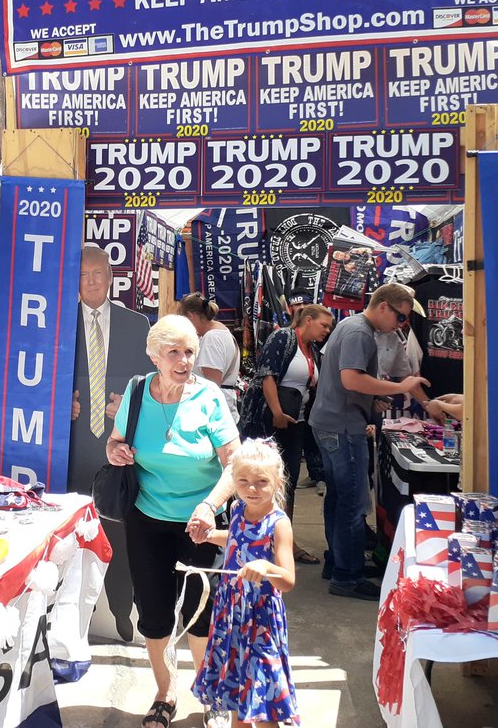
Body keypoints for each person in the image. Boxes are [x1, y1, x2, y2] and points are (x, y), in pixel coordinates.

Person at [106, 315, 240, 728]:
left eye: (190, 352)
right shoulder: (136, 391)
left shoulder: (209, 396)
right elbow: (115, 441)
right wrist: (115, 452)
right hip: (146, 519)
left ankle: (208, 693)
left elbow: (234, 464)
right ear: (154, 356)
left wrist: (210, 504)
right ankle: (165, 694)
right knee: (154, 610)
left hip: (200, 523)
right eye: (174, 353)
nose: (184, 361)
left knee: (201, 611)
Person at [309, 283, 429, 600]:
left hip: (334, 422)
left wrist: (369, 398)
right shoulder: (359, 332)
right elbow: (350, 378)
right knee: (350, 501)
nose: (402, 325)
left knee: (338, 499)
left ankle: (338, 564)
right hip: (342, 426)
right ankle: (347, 576)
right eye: (401, 317)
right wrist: (397, 386)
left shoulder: (352, 327)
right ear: (384, 307)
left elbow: (344, 380)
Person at [70, 243, 152, 641]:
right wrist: (56, 404)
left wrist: (128, 403)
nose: (91, 281)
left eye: (97, 273)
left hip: (118, 446)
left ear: (111, 277)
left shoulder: (136, 325)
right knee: (72, 534)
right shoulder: (56, 322)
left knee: (118, 530)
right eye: (83, 274)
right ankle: (71, 620)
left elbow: (151, 384)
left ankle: (121, 610)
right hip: (71, 447)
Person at [192, 439, 298, 728]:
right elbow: (238, 540)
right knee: (238, 694)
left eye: (261, 481)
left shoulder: (278, 523)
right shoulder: (238, 509)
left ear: (277, 482)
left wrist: (266, 567)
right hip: (231, 614)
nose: (252, 488)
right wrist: (211, 535)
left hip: (261, 620)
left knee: (262, 701)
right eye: (244, 481)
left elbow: (287, 580)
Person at [240, 304, 335, 565]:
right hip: (269, 423)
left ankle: (283, 541)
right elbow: (267, 376)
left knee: (287, 483)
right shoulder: (283, 337)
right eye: (323, 325)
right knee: (259, 480)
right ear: (307, 319)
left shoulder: (312, 349)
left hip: (296, 423)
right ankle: (254, 539)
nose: (327, 331)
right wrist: (277, 412)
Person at [179, 292, 242, 424]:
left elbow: (212, 386)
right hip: (222, 409)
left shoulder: (212, 339)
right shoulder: (222, 332)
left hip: (214, 415)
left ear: (190, 316)